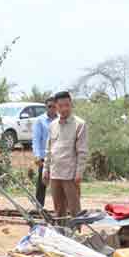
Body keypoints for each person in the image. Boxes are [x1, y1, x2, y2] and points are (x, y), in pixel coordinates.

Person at [42, 90, 89, 219]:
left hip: (70, 175)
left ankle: (76, 230)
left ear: (71, 104)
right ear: (56, 107)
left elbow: (82, 151)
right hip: (55, 173)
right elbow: (49, 149)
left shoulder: (79, 124)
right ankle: (61, 230)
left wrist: (79, 173)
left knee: (74, 209)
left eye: (67, 105)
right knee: (58, 210)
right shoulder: (52, 125)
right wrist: (45, 169)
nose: (64, 109)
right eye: (60, 106)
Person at [31, 96, 56, 208]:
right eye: (49, 106)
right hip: (43, 157)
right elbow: (36, 139)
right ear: (46, 107)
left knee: (58, 184)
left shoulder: (60, 120)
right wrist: (37, 156)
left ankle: (60, 209)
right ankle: (39, 208)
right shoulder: (40, 121)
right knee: (42, 184)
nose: (52, 109)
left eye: (54, 106)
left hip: (57, 157)